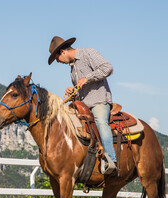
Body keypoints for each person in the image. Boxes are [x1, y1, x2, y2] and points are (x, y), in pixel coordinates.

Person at [48, 36, 117, 174]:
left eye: (57, 59)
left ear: (62, 52)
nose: (59, 62)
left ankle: (111, 160)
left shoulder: (87, 53)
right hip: (84, 106)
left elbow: (108, 68)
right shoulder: (72, 69)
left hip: (99, 101)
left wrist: (87, 78)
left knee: (100, 121)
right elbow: (81, 90)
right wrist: (72, 92)